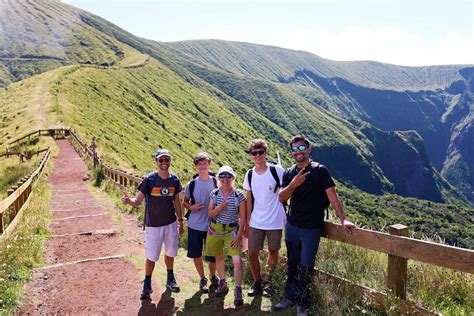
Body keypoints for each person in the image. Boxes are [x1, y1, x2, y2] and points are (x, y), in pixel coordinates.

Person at [275, 135, 356, 316]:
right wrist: (294, 184)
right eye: (295, 149)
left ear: (309, 149)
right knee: (292, 264)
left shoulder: (320, 171)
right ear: (292, 153)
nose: (299, 152)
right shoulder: (289, 173)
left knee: (306, 266)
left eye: (302, 148)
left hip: (311, 228)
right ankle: (290, 297)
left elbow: (332, 195)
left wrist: (343, 219)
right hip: (292, 226)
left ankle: (303, 303)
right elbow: (281, 197)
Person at [122, 149, 184, 300]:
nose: (164, 163)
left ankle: (170, 279)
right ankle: (147, 283)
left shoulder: (174, 180)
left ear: (170, 161)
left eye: (166, 160)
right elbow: (137, 201)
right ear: (156, 162)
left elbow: (176, 201)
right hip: (153, 225)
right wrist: (129, 201)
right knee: (151, 256)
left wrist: (180, 221)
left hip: (170, 223)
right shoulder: (149, 180)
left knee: (170, 252)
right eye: (161, 160)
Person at [242, 139, 286, 298]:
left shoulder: (277, 171)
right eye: (254, 153)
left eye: (261, 152)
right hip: (256, 220)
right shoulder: (249, 174)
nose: (258, 155)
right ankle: (257, 281)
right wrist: (246, 222)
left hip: (275, 219)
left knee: (273, 251)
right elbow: (248, 200)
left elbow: (285, 193)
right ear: (250, 156)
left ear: (266, 153)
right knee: (252, 252)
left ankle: (267, 281)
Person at [206, 166, 246, 306]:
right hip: (215, 229)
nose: (225, 179)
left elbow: (243, 217)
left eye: (228, 176)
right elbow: (209, 214)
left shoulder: (239, 195)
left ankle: (238, 290)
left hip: (231, 231)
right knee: (219, 257)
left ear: (233, 178)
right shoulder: (214, 193)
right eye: (222, 176)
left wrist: (239, 236)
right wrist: (220, 208)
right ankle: (223, 284)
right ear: (218, 179)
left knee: (237, 261)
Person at [182, 152, 219, 293]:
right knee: (196, 253)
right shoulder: (191, 184)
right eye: (199, 163)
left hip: (212, 225)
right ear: (196, 166)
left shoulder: (216, 182)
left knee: (213, 254)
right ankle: (202, 279)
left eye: (205, 162)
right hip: (195, 224)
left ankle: (212, 276)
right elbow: (184, 201)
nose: (203, 165)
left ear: (210, 164)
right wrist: (190, 207)